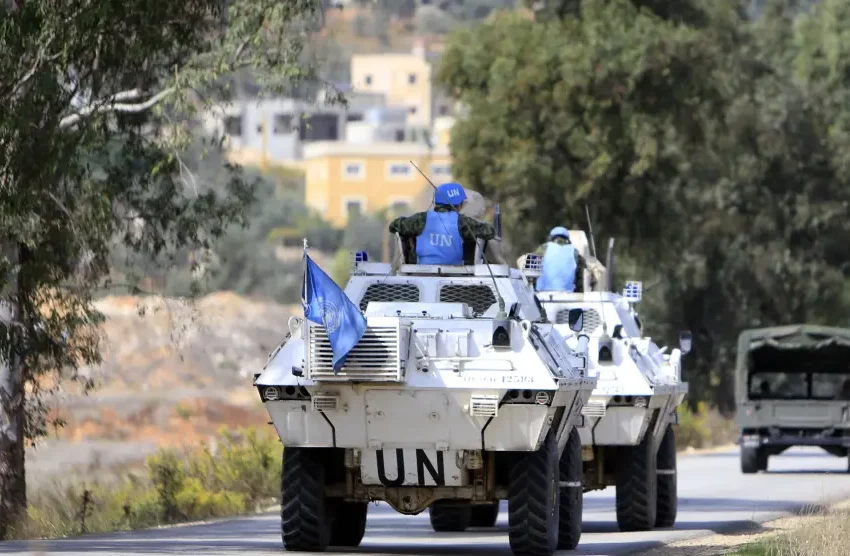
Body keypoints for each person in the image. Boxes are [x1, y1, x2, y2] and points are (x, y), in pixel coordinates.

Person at [388, 182, 495, 265]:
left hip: (422, 272)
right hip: (455, 273)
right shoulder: (462, 222)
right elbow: (489, 232)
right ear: (458, 204)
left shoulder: (421, 219)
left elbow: (394, 226)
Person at [534, 226, 586, 292]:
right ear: (567, 238)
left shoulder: (543, 248)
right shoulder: (574, 252)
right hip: (567, 294)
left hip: (542, 294)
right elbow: (579, 281)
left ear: (551, 237)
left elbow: (531, 269)